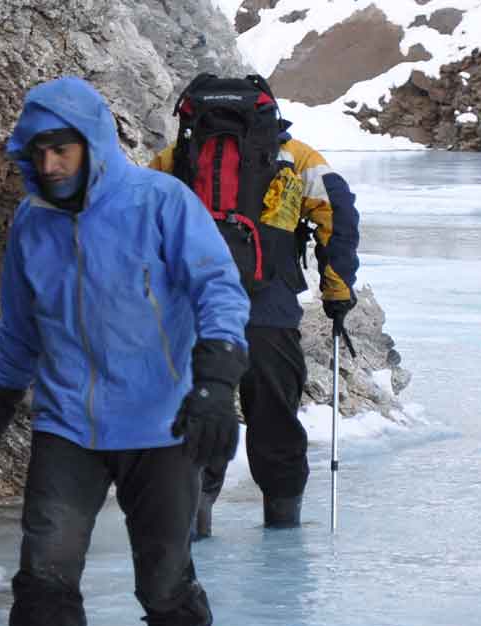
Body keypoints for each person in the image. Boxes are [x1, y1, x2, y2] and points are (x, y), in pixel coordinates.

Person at [0, 76, 251, 626]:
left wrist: (216, 383)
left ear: (93, 144)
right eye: (37, 153)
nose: (49, 164)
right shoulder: (33, 225)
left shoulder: (161, 202)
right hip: (69, 427)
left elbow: (218, 290)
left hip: (162, 423)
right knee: (44, 572)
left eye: (61, 149)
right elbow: (18, 331)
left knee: (163, 581)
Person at [148, 74, 361, 534]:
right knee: (275, 416)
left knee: (199, 411)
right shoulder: (294, 157)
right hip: (269, 309)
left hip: (193, 309)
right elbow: (337, 213)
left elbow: (138, 220)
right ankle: (283, 525)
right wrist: (336, 289)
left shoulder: (176, 158)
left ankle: (193, 522)